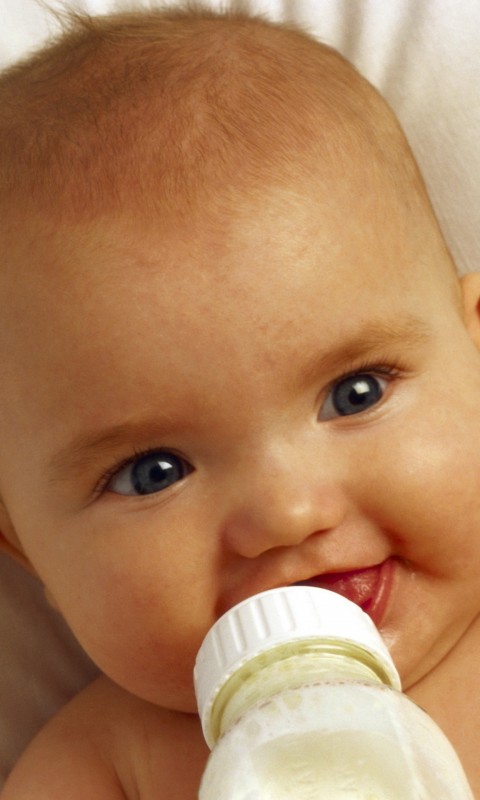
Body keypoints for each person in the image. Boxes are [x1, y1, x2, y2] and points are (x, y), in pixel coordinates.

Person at [1, 5, 480, 798]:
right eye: (153, 472)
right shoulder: (107, 764)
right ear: (26, 548)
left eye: (354, 394)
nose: (288, 514)